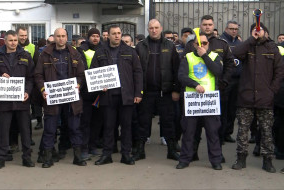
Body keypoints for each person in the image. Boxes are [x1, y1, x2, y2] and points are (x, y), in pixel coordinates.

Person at [231, 22, 284, 173]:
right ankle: (241, 158)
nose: (258, 33)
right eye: (255, 31)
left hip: (265, 98)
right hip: (246, 96)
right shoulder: (247, 46)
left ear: (266, 33)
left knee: (267, 131)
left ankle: (267, 160)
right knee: (243, 130)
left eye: (261, 31)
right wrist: (250, 40)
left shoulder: (272, 48)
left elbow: (279, 71)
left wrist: (272, 91)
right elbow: (236, 54)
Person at [184, 15, 234, 162]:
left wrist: (223, 82)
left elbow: (229, 65)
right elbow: (184, 66)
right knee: (194, 127)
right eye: (204, 24)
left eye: (210, 24)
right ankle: (192, 152)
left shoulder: (221, 44)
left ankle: (217, 155)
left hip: (215, 93)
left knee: (215, 127)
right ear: (200, 25)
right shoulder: (192, 43)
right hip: (194, 95)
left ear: (214, 26)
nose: (207, 27)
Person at [34, 28, 87, 168]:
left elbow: (82, 74)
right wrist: (42, 89)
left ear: (67, 37)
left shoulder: (75, 53)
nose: (61, 39)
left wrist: (79, 85)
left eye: (63, 36)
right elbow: (38, 75)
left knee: (75, 128)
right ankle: (48, 158)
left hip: (71, 97)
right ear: (54, 38)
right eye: (58, 36)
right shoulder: (45, 55)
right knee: (50, 128)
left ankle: (77, 157)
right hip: (53, 97)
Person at [91, 25, 143, 166]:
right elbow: (93, 72)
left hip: (126, 95)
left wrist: (138, 92)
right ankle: (107, 154)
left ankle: (126, 154)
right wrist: (99, 85)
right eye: (114, 33)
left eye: (119, 33)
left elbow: (138, 72)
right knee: (108, 126)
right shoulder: (100, 52)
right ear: (108, 36)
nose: (117, 36)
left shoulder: (129, 51)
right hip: (107, 96)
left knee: (126, 126)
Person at [133, 19, 180, 161]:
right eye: (151, 28)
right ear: (148, 29)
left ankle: (171, 150)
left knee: (168, 122)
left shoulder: (170, 46)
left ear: (161, 28)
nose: (154, 30)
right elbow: (135, 70)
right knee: (143, 122)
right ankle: (140, 151)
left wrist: (176, 90)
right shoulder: (140, 46)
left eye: (156, 27)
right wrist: (138, 91)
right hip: (146, 93)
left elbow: (177, 69)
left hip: (165, 92)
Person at [176, 33, 223, 170]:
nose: (202, 46)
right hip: (193, 101)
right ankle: (184, 159)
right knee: (189, 132)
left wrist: (204, 56)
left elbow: (217, 71)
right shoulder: (188, 57)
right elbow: (181, 76)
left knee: (212, 132)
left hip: (209, 102)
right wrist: (195, 85)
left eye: (205, 43)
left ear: (208, 44)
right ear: (193, 45)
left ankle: (215, 160)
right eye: (199, 44)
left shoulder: (214, 57)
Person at [0, 30, 35, 169]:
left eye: (15, 40)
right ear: (5, 41)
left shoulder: (26, 56)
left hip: (22, 100)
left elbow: (31, 77)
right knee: (4, 130)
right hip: (4, 100)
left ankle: (27, 157)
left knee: (25, 130)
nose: (14, 43)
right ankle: (1, 158)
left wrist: (27, 92)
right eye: (11, 40)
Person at [76, 28, 103, 160]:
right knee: (85, 122)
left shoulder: (104, 49)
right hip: (86, 92)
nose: (95, 38)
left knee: (97, 122)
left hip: (99, 93)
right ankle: (84, 148)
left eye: (97, 36)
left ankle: (93, 146)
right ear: (88, 37)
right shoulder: (81, 50)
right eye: (93, 36)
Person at [219, 20, 242, 144]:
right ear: (226, 29)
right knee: (223, 108)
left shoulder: (239, 42)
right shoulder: (222, 41)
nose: (234, 31)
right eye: (231, 29)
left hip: (237, 80)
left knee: (233, 109)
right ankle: (220, 134)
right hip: (225, 80)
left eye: (236, 29)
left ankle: (228, 132)